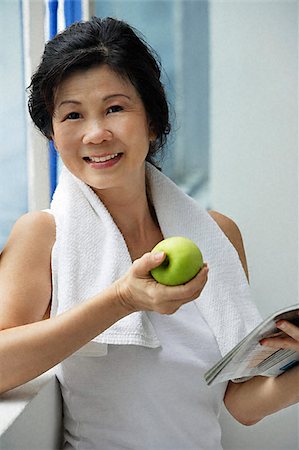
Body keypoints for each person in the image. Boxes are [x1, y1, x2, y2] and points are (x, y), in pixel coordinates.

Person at [0, 16, 299, 450]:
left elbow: (241, 404)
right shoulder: (43, 236)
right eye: (72, 115)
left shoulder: (217, 235)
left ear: (153, 120)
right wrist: (122, 299)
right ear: (51, 132)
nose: (96, 133)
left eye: (115, 108)